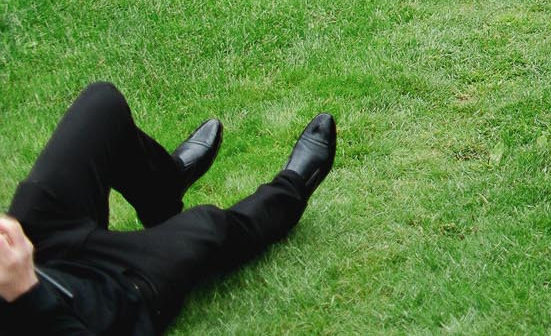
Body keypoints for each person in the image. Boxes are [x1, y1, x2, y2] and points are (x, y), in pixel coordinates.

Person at [0, 83, 335, 335]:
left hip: (41, 243)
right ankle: (292, 189)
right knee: (206, 225)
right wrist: (26, 294)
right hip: (104, 304)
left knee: (102, 105)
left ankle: (163, 193)